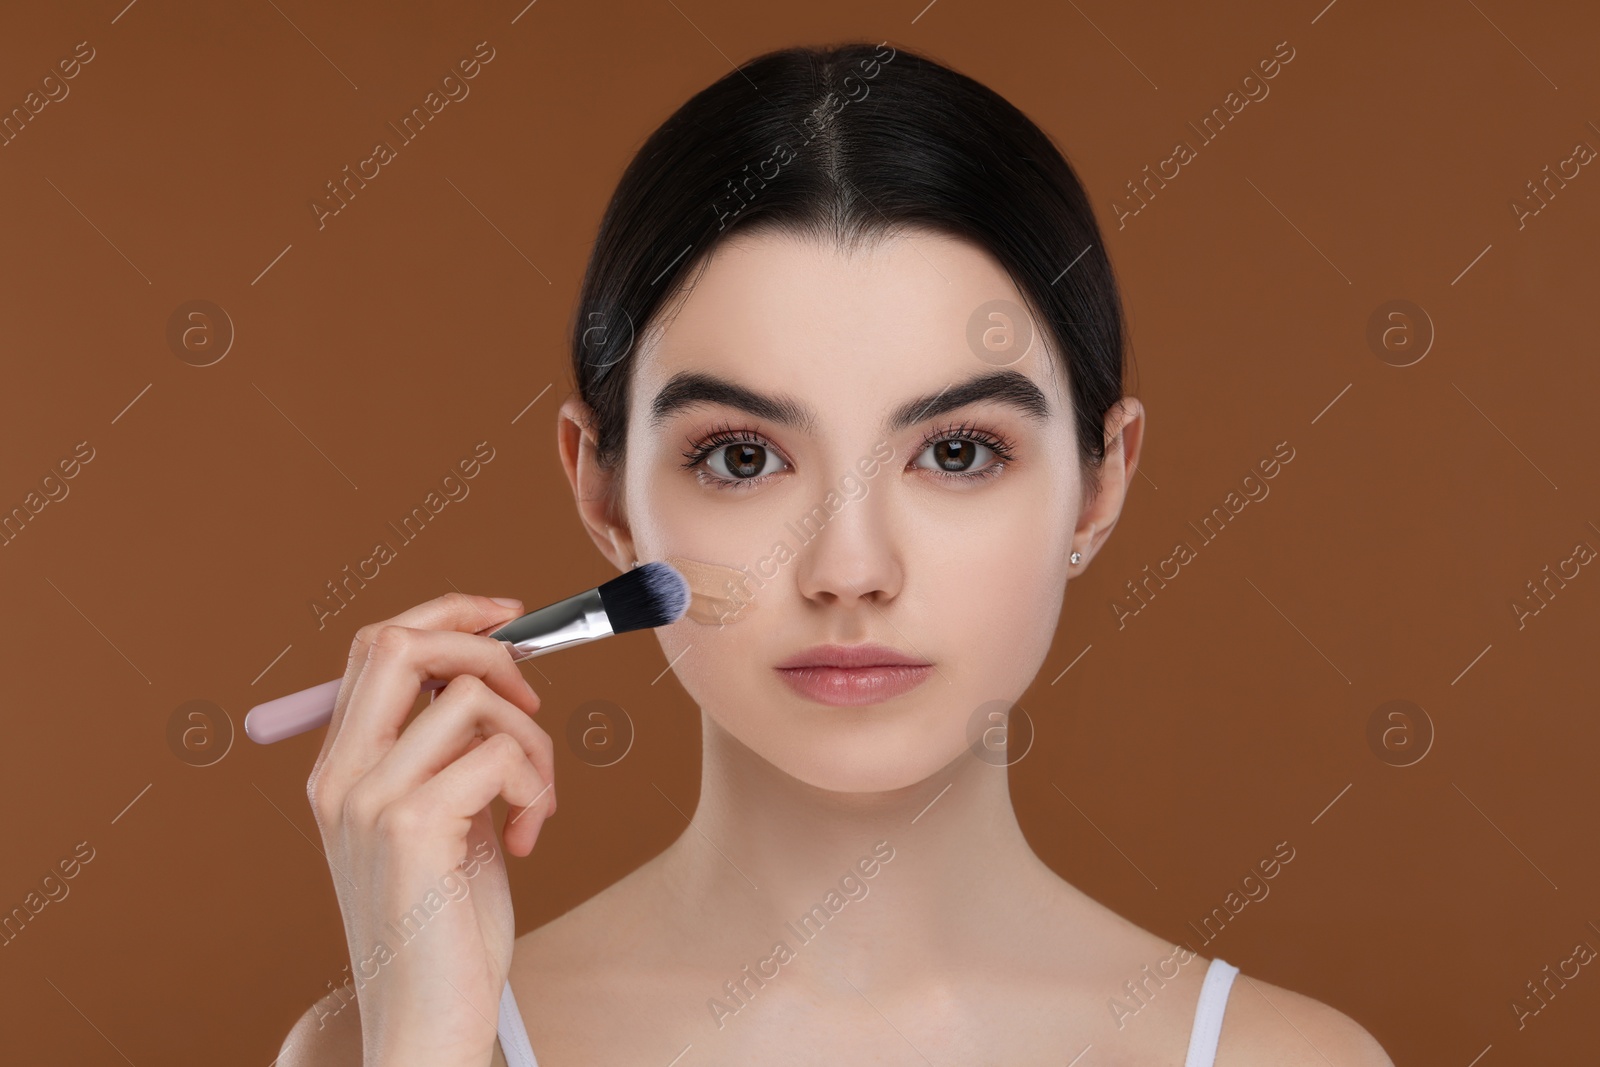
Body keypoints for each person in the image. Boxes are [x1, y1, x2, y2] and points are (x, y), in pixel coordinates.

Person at [275, 41, 1393, 1066]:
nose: (849, 568)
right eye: (744, 458)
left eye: (956, 450)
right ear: (603, 488)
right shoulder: (380, 1041)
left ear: (1101, 482)